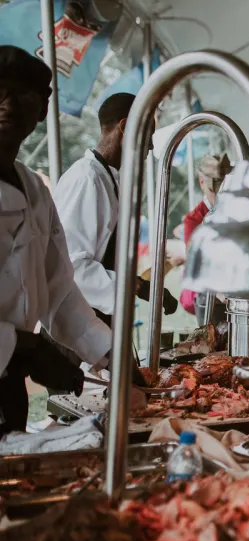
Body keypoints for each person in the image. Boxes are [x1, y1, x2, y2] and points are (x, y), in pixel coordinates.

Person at [0, 46, 108, 434]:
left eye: (22, 93)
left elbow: (58, 288)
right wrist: (22, 346)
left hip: (7, 385)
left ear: (43, 108)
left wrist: (106, 351)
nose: (7, 105)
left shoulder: (35, 191)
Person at [52, 93, 178, 345]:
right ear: (124, 127)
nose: (151, 146)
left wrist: (141, 284)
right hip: (76, 335)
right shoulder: (87, 179)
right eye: (148, 134)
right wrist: (141, 288)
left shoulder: (107, 179)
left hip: (98, 325)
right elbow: (72, 266)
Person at [181, 154, 233, 325]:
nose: (219, 196)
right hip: (209, 297)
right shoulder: (194, 220)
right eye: (214, 191)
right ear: (201, 182)